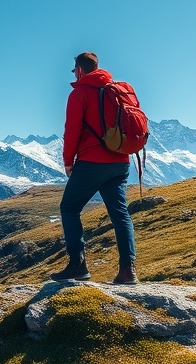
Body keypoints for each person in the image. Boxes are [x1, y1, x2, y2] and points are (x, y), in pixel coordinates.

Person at [50, 51, 137, 284]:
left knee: (69, 207)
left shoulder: (79, 93)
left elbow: (73, 130)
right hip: (120, 161)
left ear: (79, 70)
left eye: (73, 71)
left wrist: (68, 160)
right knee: (120, 214)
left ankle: (77, 266)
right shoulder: (118, 90)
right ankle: (128, 270)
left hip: (91, 162)